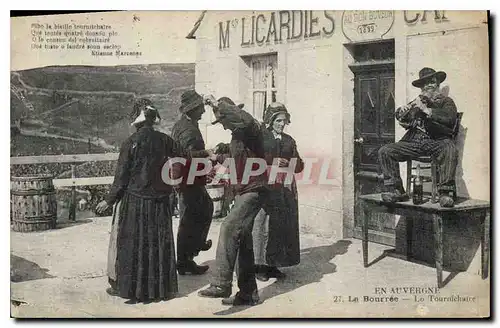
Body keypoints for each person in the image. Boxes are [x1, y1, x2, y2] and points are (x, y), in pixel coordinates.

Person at [96, 98, 182, 303]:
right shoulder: (165, 140)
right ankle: (161, 289)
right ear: (153, 120)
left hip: (135, 202)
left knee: (133, 244)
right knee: (158, 244)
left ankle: (131, 289)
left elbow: (121, 177)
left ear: (137, 120)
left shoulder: (130, 143)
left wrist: (108, 200)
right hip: (160, 202)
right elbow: (184, 157)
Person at [197, 96, 268, 306]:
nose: (224, 125)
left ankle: (221, 283)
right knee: (242, 239)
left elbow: (243, 120)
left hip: (254, 188)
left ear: (231, 114)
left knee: (228, 227)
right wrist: (219, 157)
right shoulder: (238, 135)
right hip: (244, 188)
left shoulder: (250, 127)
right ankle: (248, 293)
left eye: (224, 120)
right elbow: (240, 158)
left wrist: (217, 105)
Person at [378, 67, 458, 207]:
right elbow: (403, 118)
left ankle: (445, 193)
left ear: (438, 83)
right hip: (414, 142)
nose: (428, 85)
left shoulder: (446, 102)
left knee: (450, 148)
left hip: (436, 141)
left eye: (432, 82)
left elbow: (450, 119)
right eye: (425, 83)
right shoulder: (418, 101)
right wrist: (401, 112)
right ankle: (396, 190)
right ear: (422, 87)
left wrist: (426, 110)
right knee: (385, 151)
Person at [252, 102, 304, 281]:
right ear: (270, 120)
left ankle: (273, 264)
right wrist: (270, 164)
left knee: (279, 227)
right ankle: (258, 266)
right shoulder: (260, 138)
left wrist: (289, 164)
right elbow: (251, 162)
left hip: (284, 189)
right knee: (261, 225)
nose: (282, 124)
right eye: (278, 120)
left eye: (284, 120)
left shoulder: (289, 141)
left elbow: (300, 165)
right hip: (264, 186)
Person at [171, 90, 214, 275]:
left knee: (198, 212)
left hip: (189, 179)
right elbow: (185, 156)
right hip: (188, 180)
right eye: (200, 109)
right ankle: (185, 259)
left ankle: (192, 251)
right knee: (190, 218)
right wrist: (207, 154)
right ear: (192, 110)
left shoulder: (184, 124)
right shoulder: (188, 129)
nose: (203, 112)